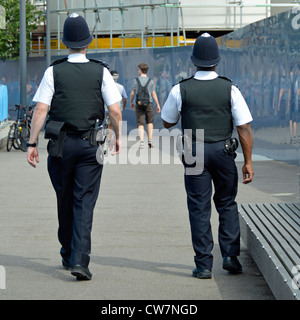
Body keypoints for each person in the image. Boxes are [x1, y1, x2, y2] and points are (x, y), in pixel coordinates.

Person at [26, 13, 122, 280]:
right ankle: (79, 260)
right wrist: (118, 136)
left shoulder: (52, 71)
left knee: (65, 198)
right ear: (88, 43)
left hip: (60, 146)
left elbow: (41, 110)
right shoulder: (101, 71)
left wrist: (32, 143)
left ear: (65, 43)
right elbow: (114, 110)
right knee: (84, 202)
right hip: (92, 146)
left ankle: (68, 252)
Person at [161, 33, 254, 279]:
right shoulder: (230, 88)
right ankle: (230, 256)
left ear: (194, 61)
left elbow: (167, 122)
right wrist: (248, 161)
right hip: (224, 151)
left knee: (199, 207)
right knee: (226, 202)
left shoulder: (180, 89)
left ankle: (203, 265)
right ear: (217, 60)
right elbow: (244, 127)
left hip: (193, 153)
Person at [130, 62, 161, 149]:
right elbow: (153, 93)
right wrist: (158, 104)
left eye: (138, 69)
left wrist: (131, 102)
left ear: (140, 70)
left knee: (140, 123)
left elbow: (132, 93)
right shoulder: (151, 81)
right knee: (150, 122)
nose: (137, 71)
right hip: (149, 103)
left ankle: (142, 142)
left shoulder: (135, 80)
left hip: (139, 104)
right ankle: (150, 140)